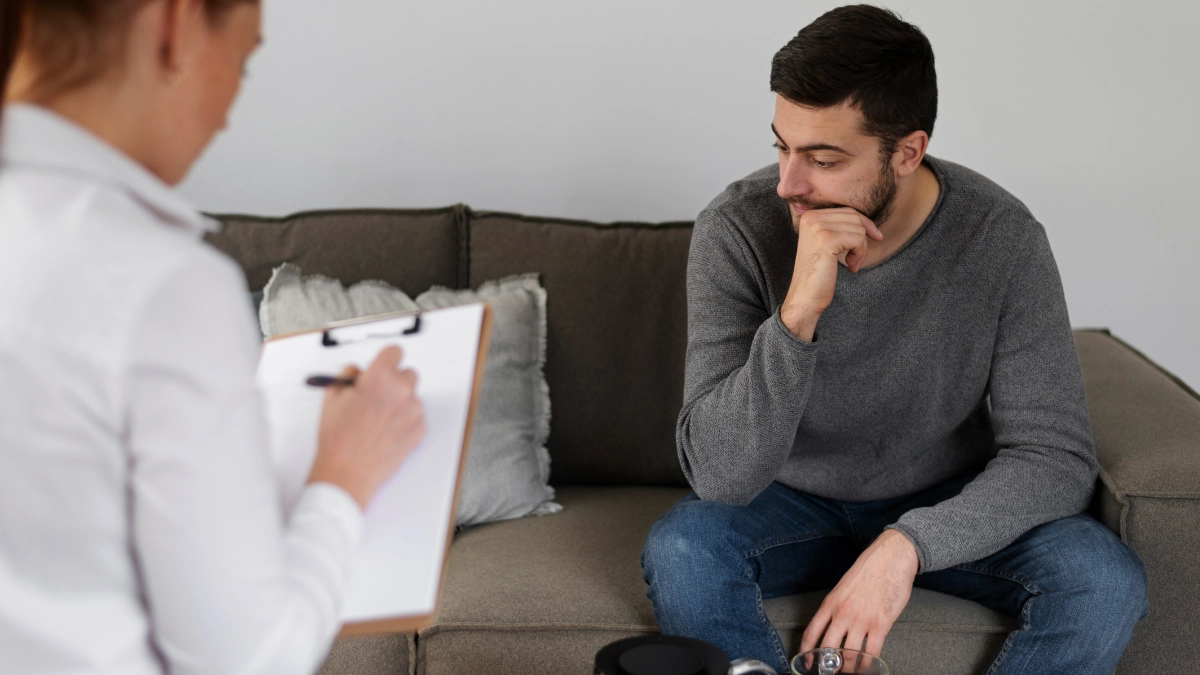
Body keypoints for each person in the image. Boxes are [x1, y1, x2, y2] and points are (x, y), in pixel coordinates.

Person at [641, 5, 1147, 674]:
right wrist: (797, 315)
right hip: (785, 500)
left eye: (823, 159)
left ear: (907, 152)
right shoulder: (736, 229)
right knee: (682, 550)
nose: (789, 184)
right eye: (781, 147)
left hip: (943, 493)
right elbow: (721, 476)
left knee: (1104, 579)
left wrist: (906, 543)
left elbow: (1054, 457)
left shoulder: (1001, 238)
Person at [0, 1, 426, 673]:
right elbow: (249, 659)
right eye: (245, 60)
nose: (230, 109)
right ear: (176, 23)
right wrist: (345, 472)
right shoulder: (161, 285)